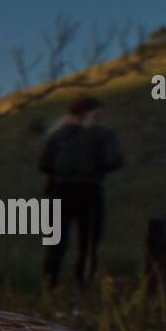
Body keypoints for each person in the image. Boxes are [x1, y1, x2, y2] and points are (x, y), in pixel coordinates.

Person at [38, 96, 124, 288]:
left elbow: (44, 164)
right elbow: (114, 160)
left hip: (60, 190)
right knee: (89, 242)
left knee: (56, 243)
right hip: (88, 189)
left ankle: (50, 285)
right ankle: (83, 286)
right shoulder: (102, 135)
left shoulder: (58, 136)